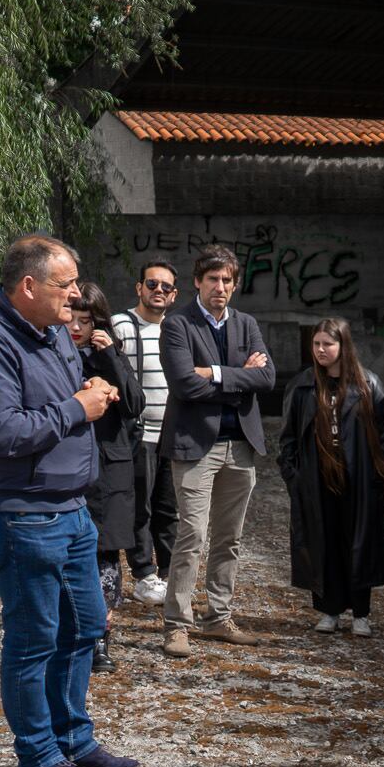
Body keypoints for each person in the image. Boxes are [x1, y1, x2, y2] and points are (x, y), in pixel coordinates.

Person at [0, 236, 138, 767]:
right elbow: (2, 431)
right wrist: (78, 407)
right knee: (34, 639)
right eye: (66, 283)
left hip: (72, 507)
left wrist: (90, 386)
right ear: (29, 286)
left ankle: (73, 739)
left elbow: (61, 395)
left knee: (84, 626)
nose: (76, 294)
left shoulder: (54, 332)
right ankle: (36, 755)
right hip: (21, 513)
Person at [157, 244, 276, 658]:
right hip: (195, 447)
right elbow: (184, 385)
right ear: (197, 282)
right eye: (213, 279)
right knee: (192, 534)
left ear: (235, 284)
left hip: (240, 446)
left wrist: (216, 373)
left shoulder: (246, 324)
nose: (220, 287)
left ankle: (218, 617)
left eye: (227, 280)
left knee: (230, 538)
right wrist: (241, 377)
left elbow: (268, 378)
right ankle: (177, 624)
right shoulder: (178, 324)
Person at [279, 318, 384, 636]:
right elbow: (288, 437)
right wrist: (294, 477)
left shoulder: (367, 384)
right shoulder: (303, 386)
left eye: (327, 344)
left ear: (343, 345)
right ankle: (328, 610)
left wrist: (377, 477)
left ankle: (360, 613)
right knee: (322, 542)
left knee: (358, 544)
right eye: (316, 344)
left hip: (358, 481)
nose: (320, 350)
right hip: (316, 481)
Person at [71, 283, 143, 673]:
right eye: (72, 319)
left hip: (110, 470)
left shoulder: (112, 354)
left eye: (86, 321)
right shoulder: (55, 353)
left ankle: (100, 639)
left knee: (105, 558)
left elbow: (134, 403)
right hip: (70, 468)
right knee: (69, 553)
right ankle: (71, 635)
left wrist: (111, 356)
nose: (77, 328)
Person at [111, 260, 178, 606]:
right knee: (140, 507)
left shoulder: (177, 329)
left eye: (166, 287)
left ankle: (170, 574)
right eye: (152, 284)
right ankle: (144, 574)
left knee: (170, 510)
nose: (158, 291)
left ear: (174, 295)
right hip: (138, 435)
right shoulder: (120, 325)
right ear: (139, 288)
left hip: (173, 436)